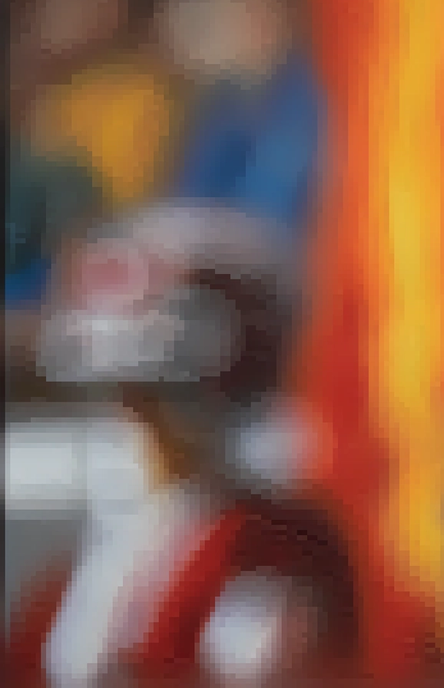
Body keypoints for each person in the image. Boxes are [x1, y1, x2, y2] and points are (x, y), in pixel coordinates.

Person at [4, 203, 359, 687]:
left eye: (146, 399)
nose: (131, 423)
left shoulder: (269, 548)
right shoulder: (94, 555)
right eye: (121, 398)